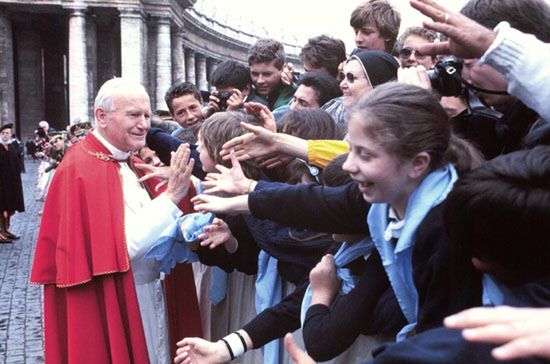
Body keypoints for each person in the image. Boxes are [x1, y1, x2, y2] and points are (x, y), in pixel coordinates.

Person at [190, 83, 483, 361]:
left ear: (418, 164)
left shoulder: (448, 232)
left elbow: (441, 346)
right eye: (350, 149)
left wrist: (248, 192)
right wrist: (248, 190)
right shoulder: (387, 198)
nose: (349, 165)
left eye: (364, 155)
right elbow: (313, 202)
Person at [30, 78, 197, 364]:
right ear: (102, 116)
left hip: (148, 289)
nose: (144, 124)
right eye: (134, 114)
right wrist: (171, 197)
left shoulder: (122, 158)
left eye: (147, 115)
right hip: (122, 295)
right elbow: (126, 245)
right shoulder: (82, 168)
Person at [409, 0, 550, 140]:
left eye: (468, 62)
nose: (464, 79)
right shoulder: (514, 126)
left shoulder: (541, 134)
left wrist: (421, 119)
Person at [248, 38, 298, 110]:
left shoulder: (295, 95)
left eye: (267, 74)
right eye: (255, 74)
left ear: (283, 68)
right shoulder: (242, 88)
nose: (259, 81)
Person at [0, 123, 24, 243]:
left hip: (11, 183)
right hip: (1, 184)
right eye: (3, 133)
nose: (5, 135)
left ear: (10, 134)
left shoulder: (12, 146)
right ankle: (0, 232)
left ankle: (6, 229)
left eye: (7, 133)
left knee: (9, 207)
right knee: (1, 207)